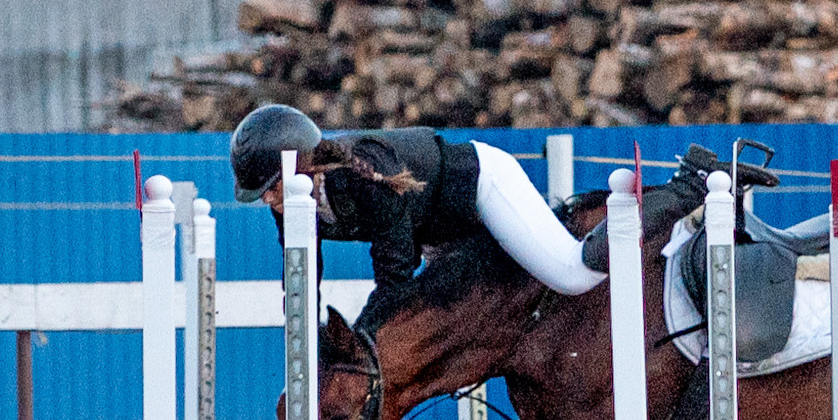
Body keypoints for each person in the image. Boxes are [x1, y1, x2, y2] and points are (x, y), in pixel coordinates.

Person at [230, 105, 607, 296]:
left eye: (272, 186)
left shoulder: (362, 174)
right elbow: (301, 276)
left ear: (301, 165)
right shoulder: (291, 199)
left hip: (480, 187)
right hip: (434, 230)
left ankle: (643, 218)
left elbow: (395, 269)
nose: (266, 199)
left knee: (570, 276)